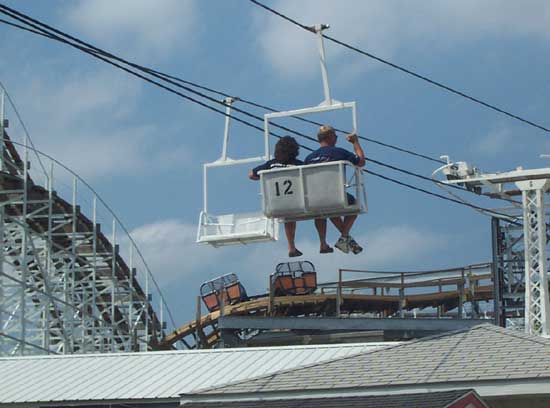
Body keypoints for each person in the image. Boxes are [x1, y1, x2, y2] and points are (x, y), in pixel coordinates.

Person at [304, 125, 365, 255]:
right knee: (353, 204)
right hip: (336, 196)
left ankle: (324, 242)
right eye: (336, 136)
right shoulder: (340, 153)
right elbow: (360, 162)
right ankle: (344, 237)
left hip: (315, 199)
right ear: (331, 137)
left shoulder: (309, 158)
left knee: (324, 210)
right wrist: (355, 142)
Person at [249, 136, 303, 258]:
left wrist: (263, 178)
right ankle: (293, 246)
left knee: (288, 215)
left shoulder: (271, 165)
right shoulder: (298, 164)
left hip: (276, 201)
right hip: (295, 200)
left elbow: (251, 174)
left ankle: (291, 246)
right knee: (292, 214)